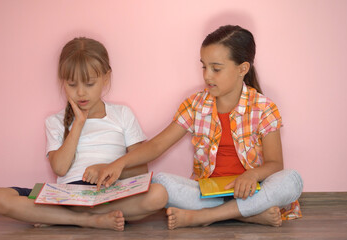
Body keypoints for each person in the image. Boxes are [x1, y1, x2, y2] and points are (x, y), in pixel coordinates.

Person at [84, 25, 303, 230]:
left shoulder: (264, 108)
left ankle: (206, 216)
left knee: (292, 180)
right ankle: (246, 214)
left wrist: (253, 175)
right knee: (160, 182)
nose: (207, 75)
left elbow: (276, 164)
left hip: (252, 192)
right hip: (207, 193)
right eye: (204, 66)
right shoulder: (196, 104)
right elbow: (158, 145)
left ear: (242, 69)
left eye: (216, 69)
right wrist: (118, 164)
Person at [0, 37, 168, 231]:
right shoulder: (55, 121)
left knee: (159, 194)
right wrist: (78, 123)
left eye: (89, 84)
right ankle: (86, 219)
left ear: (106, 78)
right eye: (72, 85)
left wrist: (105, 169)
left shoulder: (122, 114)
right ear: (63, 81)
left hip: (109, 194)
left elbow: (140, 169)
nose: (81, 93)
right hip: (68, 196)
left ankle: (61, 218)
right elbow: (60, 168)